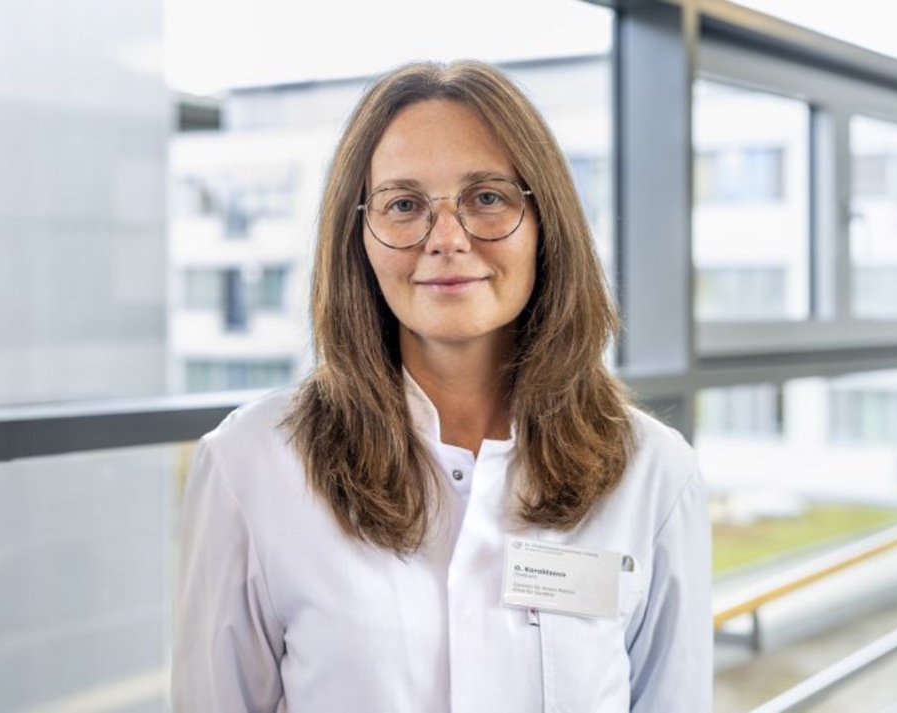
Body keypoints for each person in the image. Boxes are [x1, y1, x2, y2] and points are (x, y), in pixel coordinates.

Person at [172, 60, 712, 712]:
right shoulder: (250, 463)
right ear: (358, 237)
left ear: (547, 225)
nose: (447, 239)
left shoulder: (656, 474)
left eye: (488, 197)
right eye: (404, 205)